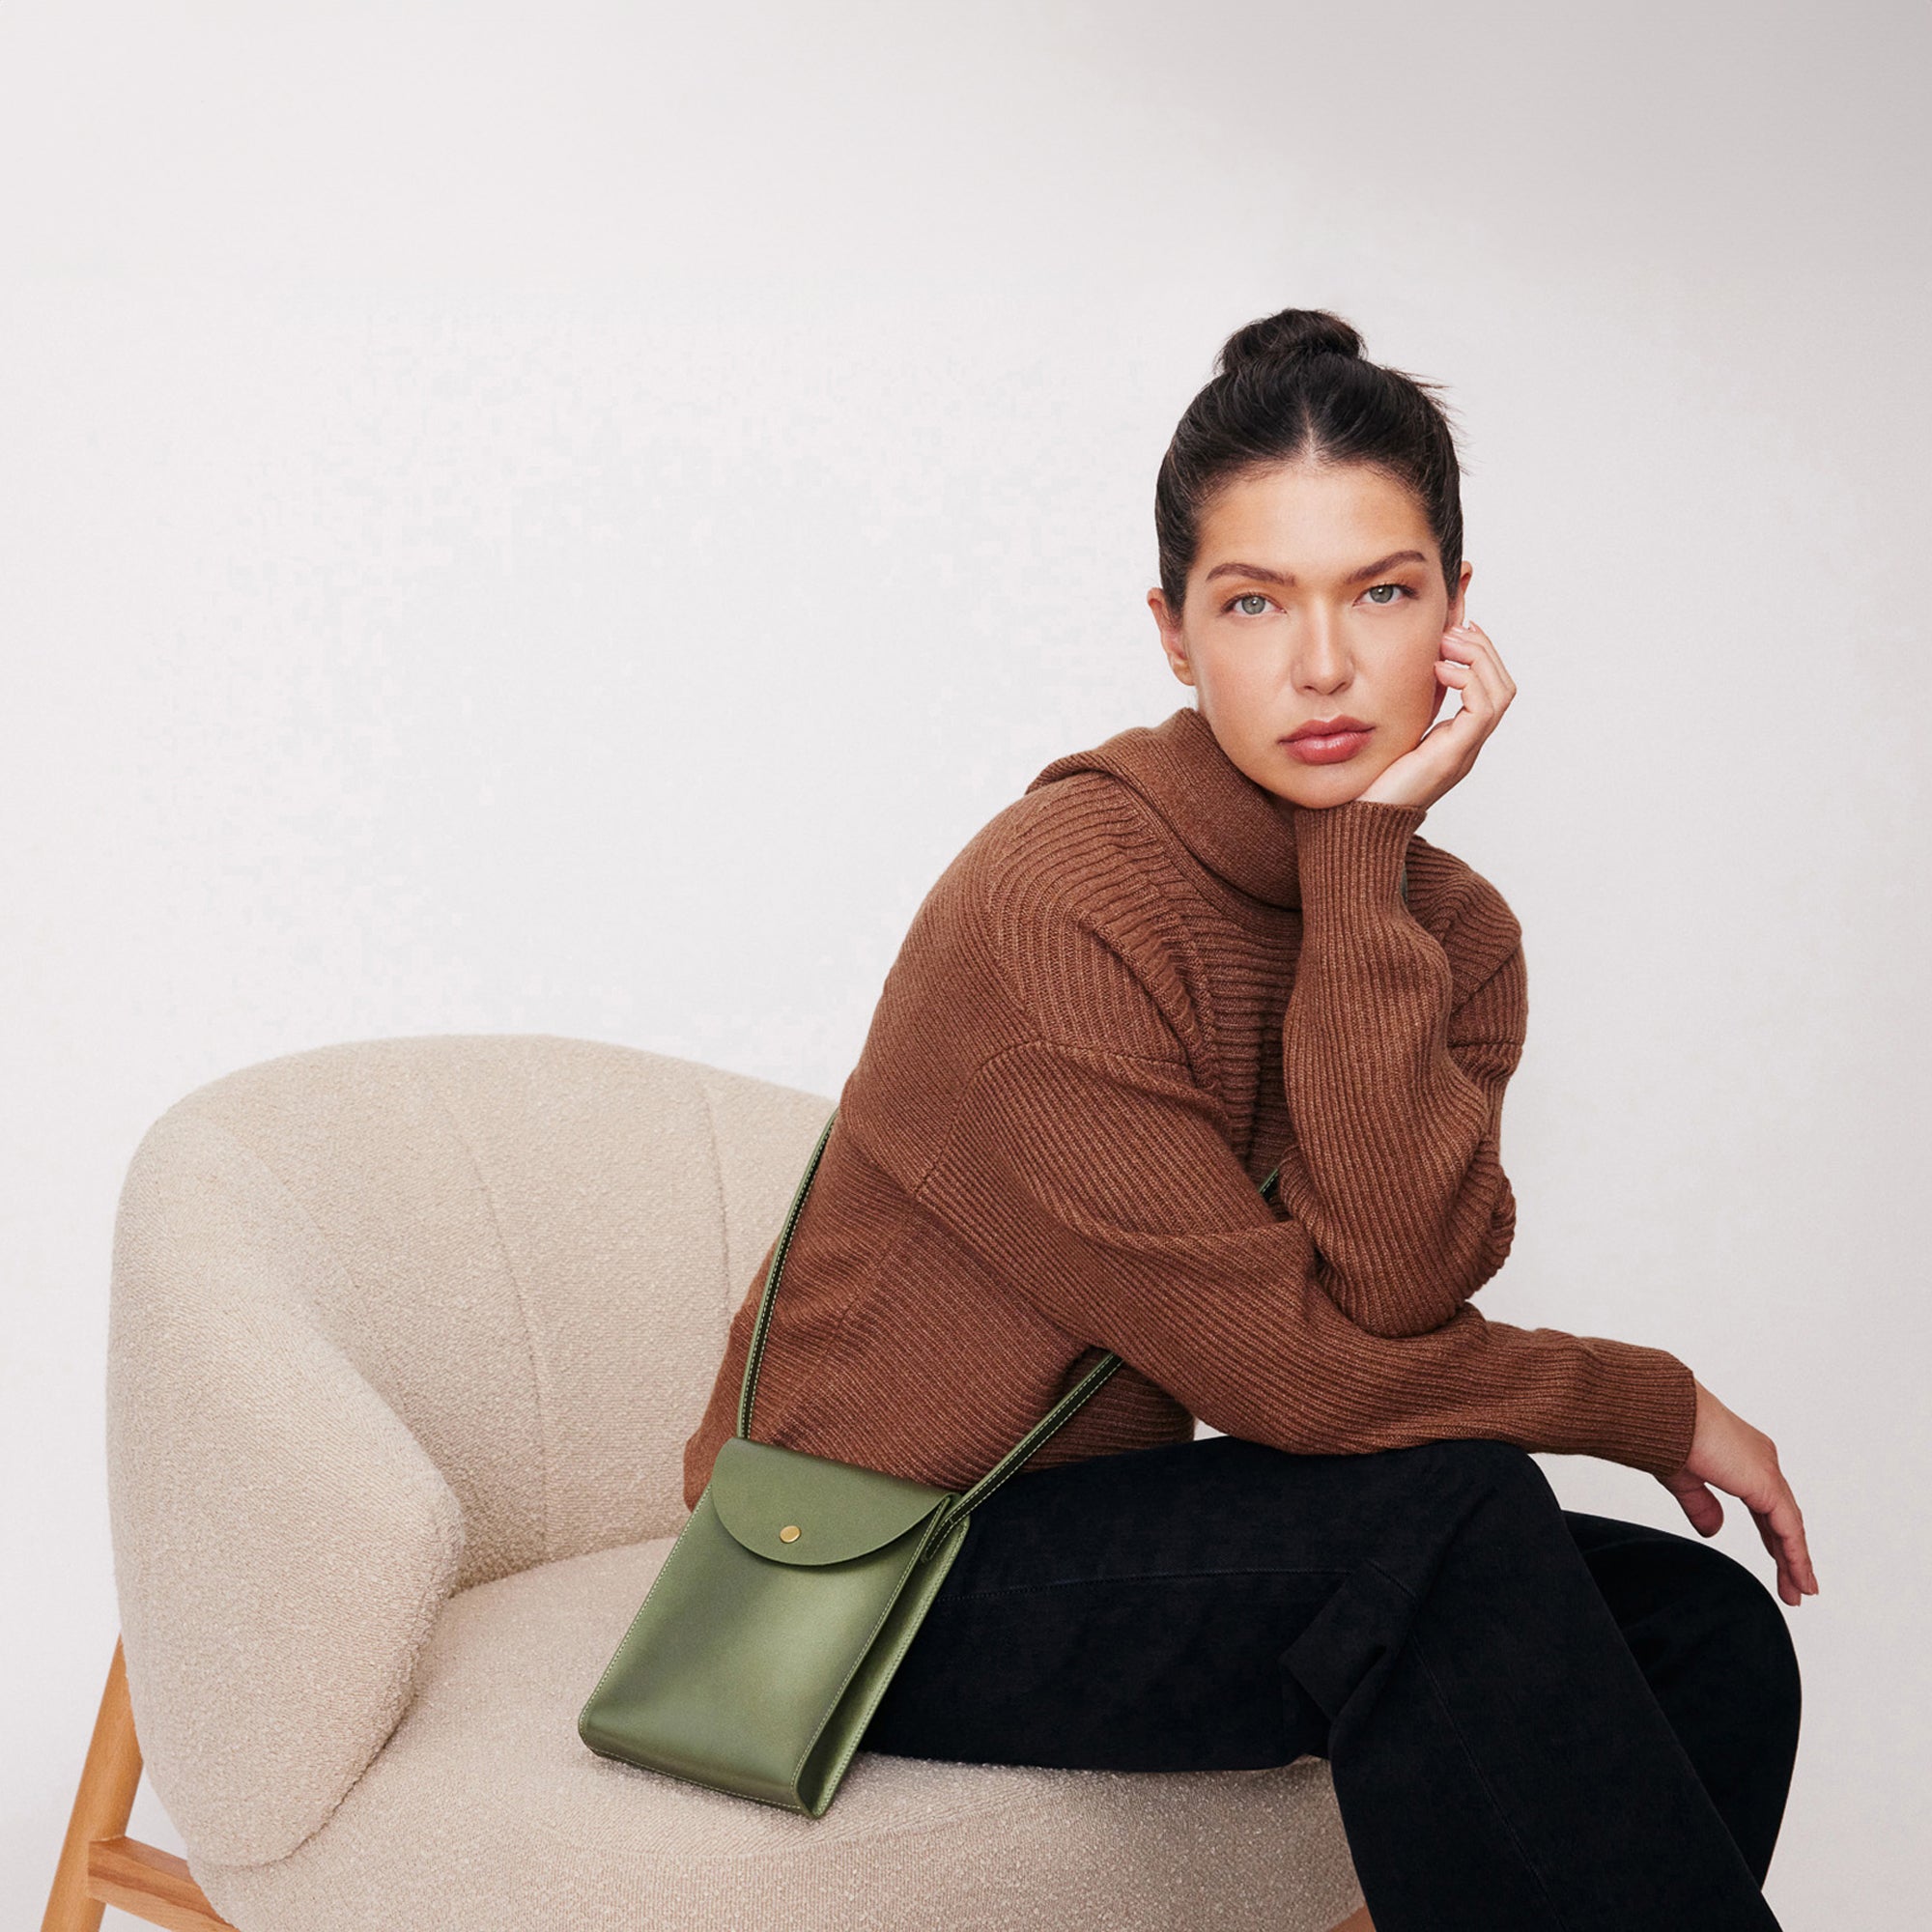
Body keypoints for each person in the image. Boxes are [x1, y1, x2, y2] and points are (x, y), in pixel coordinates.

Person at [681, 306, 1812, 1930]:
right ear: (1172, 632)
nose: (1325, 664)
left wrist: (1360, 872)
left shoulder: (1452, 935)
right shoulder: (1057, 903)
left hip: (1107, 1526)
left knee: (1705, 1632)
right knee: (1449, 1517)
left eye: (1383, 593)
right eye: (1255, 602)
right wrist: (1644, 1401)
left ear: (1460, 612)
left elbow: (1393, 1293)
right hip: (875, 1571)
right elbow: (1297, 1381)